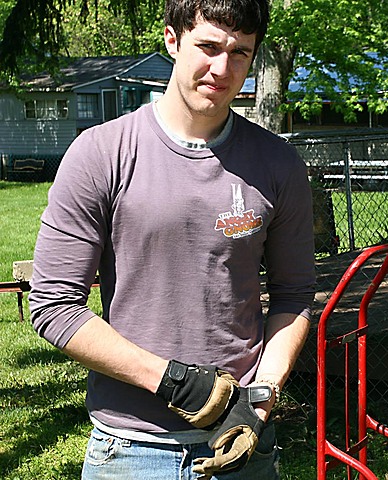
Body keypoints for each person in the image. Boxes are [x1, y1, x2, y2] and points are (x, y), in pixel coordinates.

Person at [29, 0, 315, 478]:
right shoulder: (100, 153)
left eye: (240, 53)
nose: (222, 69)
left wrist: (260, 400)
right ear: (171, 39)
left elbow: (294, 295)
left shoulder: (278, 165)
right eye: (208, 46)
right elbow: (54, 305)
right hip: (130, 450)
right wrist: (172, 382)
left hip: (240, 442)